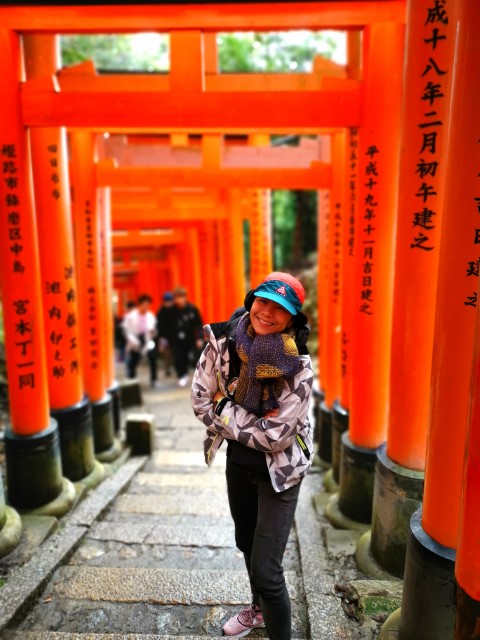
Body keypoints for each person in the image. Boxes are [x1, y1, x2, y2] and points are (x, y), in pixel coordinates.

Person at [191, 272, 313, 640]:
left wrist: (224, 406)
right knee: (245, 540)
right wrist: (251, 419)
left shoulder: (299, 367)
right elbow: (199, 399)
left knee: (268, 572)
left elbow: (276, 437)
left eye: (281, 308)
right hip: (239, 463)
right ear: (251, 301)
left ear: (292, 319)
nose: (268, 312)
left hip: (282, 472)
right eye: (263, 301)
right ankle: (258, 611)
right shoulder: (223, 342)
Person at [160, 286, 203, 388]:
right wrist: (165, 340)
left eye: (182, 297)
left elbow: (198, 324)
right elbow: (165, 326)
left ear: (185, 297)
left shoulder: (192, 309)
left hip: (190, 337)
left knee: (195, 357)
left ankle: (199, 377)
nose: (180, 300)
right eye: (177, 297)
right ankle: (181, 375)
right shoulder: (170, 311)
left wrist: (199, 337)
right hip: (176, 339)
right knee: (179, 356)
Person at [122, 293, 159, 388]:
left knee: (153, 358)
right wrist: (133, 341)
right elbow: (126, 330)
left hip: (147, 340)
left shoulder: (150, 316)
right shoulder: (130, 316)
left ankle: (154, 379)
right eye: (144, 304)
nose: (146, 307)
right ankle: (132, 380)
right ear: (140, 304)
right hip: (134, 339)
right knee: (133, 361)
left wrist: (153, 332)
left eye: (148, 305)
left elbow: (153, 329)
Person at [156, 291, 175, 378]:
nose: (168, 303)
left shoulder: (174, 310)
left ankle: (170, 367)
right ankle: (167, 368)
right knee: (167, 353)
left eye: (170, 301)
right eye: (167, 301)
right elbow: (159, 326)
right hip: (164, 336)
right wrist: (161, 337)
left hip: (173, 335)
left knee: (172, 353)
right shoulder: (161, 312)